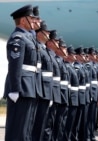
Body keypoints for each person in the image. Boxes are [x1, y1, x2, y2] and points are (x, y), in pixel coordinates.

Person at [3, 4, 39, 141]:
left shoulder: (27, 37)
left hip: (29, 87)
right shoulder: (18, 38)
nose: (34, 21)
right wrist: (15, 89)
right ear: (23, 20)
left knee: (26, 130)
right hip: (22, 88)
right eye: (31, 18)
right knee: (17, 129)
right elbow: (15, 65)